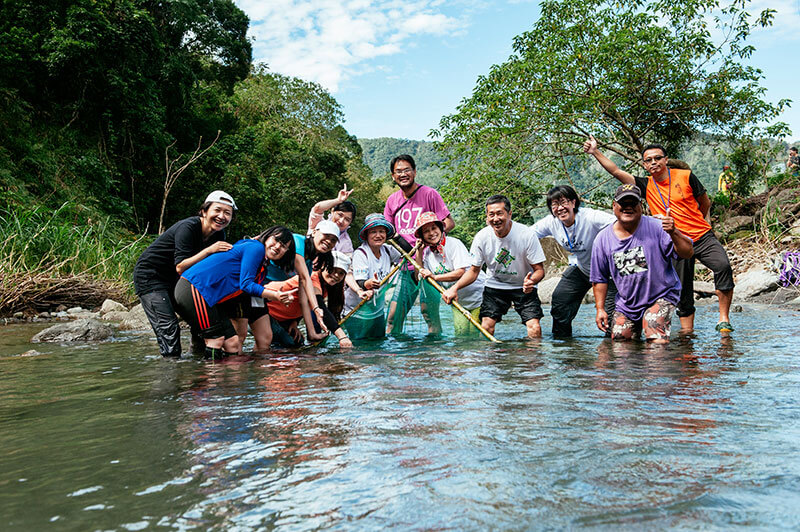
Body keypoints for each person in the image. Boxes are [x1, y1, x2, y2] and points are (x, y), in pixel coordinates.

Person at [583, 135, 736, 334]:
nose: (654, 162)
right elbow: (616, 171)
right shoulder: (645, 185)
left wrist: (704, 221)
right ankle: (686, 333)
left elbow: (704, 201)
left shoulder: (685, 175)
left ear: (665, 159)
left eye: (657, 158)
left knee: (722, 265)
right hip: (672, 240)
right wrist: (595, 151)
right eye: (648, 160)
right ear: (644, 165)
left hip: (700, 235)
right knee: (683, 287)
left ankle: (724, 318)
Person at [133, 190, 236, 357]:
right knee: (169, 326)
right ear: (204, 211)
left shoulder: (219, 235)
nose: (221, 216)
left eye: (227, 213)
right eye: (217, 210)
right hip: (151, 276)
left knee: (200, 321)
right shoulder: (188, 227)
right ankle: (170, 370)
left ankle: (197, 365)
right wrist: (209, 250)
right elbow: (181, 266)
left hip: (178, 280)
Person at [173, 226, 298, 359]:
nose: (278, 246)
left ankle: (229, 378)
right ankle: (211, 378)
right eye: (276, 240)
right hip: (194, 288)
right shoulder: (256, 248)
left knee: (232, 343)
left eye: (284, 246)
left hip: (209, 296)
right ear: (267, 236)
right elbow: (246, 284)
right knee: (216, 340)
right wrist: (275, 295)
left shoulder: (262, 264)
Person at [590, 184, 694, 343]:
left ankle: (660, 365)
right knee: (619, 341)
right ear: (614, 206)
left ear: (641, 206)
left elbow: (688, 253)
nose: (628, 208)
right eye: (623, 204)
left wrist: (674, 232)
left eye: (633, 203)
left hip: (661, 295)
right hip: (628, 304)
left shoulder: (658, 227)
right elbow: (599, 278)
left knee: (654, 331)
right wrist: (600, 309)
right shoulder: (602, 240)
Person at [442, 195, 546, 339]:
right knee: (486, 327)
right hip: (495, 285)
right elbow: (473, 272)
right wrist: (454, 288)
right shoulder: (482, 237)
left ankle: (532, 360)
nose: (495, 218)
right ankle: (490, 360)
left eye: (499, 213)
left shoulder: (526, 235)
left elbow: (539, 270)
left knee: (534, 327)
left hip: (523, 285)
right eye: (491, 214)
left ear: (509, 214)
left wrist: (532, 281)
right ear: (487, 217)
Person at [531, 185, 617, 337]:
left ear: (573, 203)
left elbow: (623, 221)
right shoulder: (551, 222)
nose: (560, 208)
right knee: (560, 299)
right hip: (583, 269)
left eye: (563, 202)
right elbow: (526, 235)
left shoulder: (590, 217)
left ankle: (611, 352)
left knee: (610, 319)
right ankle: (563, 345)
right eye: (554, 205)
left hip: (609, 274)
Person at [383, 154, 455, 333]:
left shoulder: (429, 194)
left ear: (415, 172)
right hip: (405, 265)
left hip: (429, 265)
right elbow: (387, 231)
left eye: (407, 170)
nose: (403, 174)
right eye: (398, 171)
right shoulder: (392, 200)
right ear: (393, 176)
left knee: (429, 313)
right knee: (393, 317)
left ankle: (431, 356)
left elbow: (449, 222)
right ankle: (395, 358)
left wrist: (432, 238)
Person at [415, 211, 487, 336]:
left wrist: (435, 277)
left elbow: (460, 272)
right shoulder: (427, 254)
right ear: (422, 236)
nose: (432, 233)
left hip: (479, 296)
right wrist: (419, 252)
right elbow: (420, 276)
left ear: (441, 228)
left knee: (477, 336)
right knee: (461, 335)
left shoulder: (453, 244)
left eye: (434, 228)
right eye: (426, 231)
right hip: (457, 301)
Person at [266, 251, 353, 348]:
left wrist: (294, 322)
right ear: (323, 266)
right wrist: (342, 337)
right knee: (287, 344)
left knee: (297, 343)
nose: (336, 275)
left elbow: (301, 302)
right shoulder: (312, 278)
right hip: (263, 310)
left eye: (341, 273)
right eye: (332, 269)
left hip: (282, 319)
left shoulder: (327, 287)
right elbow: (320, 306)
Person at [343, 214, 402, 340]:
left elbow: (407, 252)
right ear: (367, 235)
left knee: (379, 346)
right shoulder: (361, 253)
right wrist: (369, 283)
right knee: (358, 349)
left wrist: (396, 236)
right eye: (373, 232)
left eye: (382, 231)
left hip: (377, 311)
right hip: (357, 311)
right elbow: (360, 282)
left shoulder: (387, 250)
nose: (378, 235)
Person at [308, 184, 357, 254]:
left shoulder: (346, 243)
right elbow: (317, 208)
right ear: (332, 211)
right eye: (340, 215)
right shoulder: (318, 223)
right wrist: (338, 200)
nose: (341, 221)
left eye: (347, 219)